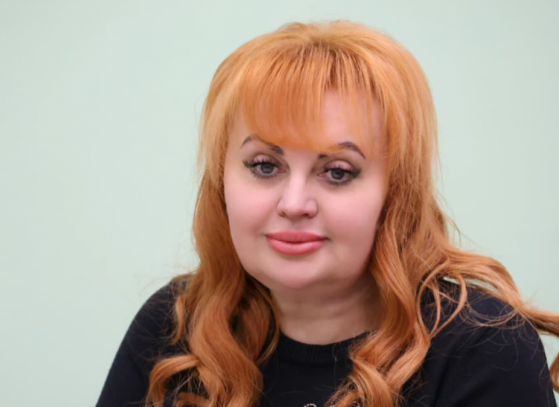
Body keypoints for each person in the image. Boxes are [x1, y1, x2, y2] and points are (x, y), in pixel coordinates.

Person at [96, 20, 559, 407]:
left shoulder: (483, 349)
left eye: (337, 172)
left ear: (395, 191)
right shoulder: (173, 324)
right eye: (265, 166)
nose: (294, 203)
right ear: (221, 180)